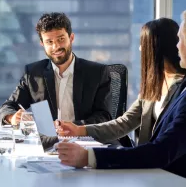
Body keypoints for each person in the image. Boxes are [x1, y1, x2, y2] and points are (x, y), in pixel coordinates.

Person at [56, 12, 186, 178]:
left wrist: (88, 157)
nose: (140, 49)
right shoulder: (154, 86)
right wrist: (79, 130)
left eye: (142, 44)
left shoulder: (181, 90)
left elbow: (162, 150)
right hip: (148, 170)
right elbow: (125, 123)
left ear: (154, 48)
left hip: (164, 174)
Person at [0, 12, 112, 127]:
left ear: (71, 38)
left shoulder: (97, 73)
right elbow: (7, 107)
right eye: (49, 42)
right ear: (42, 44)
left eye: (61, 39)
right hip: (49, 141)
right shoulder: (33, 73)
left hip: (85, 140)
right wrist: (12, 117)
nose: (56, 46)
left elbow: (104, 116)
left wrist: (73, 127)